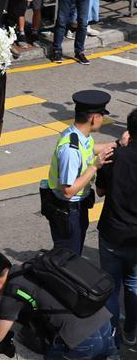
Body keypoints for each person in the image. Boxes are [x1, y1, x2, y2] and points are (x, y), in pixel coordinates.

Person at [0, 250, 117, 359]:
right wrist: (1, 318)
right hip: (104, 325)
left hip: (79, 342)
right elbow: (43, 302)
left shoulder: (12, 290)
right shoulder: (31, 268)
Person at [39, 90, 116, 256]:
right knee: (69, 260)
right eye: (102, 115)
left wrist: (117, 144)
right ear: (95, 117)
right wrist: (95, 166)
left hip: (76, 208)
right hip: (68, 211)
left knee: (71, 256)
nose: (103, 119)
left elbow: (90, 149)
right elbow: (68, 190)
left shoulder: (78, 135)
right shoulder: (70, 150)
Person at [96, 108, 137, 350]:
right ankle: (131, 332)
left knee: (110, 286)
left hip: (112, 232)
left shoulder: (114, 156)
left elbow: (100, 191)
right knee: (133, 285)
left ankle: (111, 339)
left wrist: (120, 148)